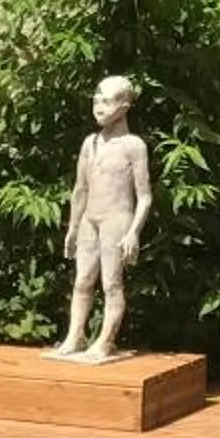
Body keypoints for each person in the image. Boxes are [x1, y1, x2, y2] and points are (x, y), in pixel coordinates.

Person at [48, 75, 152, 364]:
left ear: (124, 105)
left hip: (116, 220)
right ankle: (75, 335)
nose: (99, 107)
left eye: (106, 101)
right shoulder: (89, 143)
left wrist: (133, 232)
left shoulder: (134, 146)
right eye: (96, 100)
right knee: (82, 280)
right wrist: (72, 226)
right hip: (88, 220)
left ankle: (106, 340)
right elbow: (80, 189)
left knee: (111, 283)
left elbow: (144, 196)